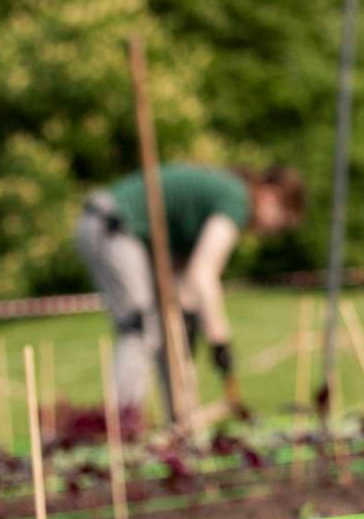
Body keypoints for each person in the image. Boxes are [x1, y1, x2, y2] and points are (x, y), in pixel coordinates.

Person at [75, 163, 304, 418]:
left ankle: (179, 419)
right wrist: (220, 342)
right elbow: (203, 274)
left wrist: (187, 319)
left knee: (164, 327)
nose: (273, 231)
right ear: (270, 195)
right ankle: (123, 422)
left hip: (115, 228)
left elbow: (184, 282)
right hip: (113, 227)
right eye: (281, 221)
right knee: (139, 327)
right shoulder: (237, 200)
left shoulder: (224, 198)